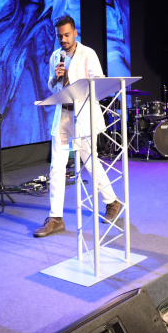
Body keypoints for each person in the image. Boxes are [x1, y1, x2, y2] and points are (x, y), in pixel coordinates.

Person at [34, 15, 123, 237]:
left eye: (67, 35)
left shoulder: (88, 53)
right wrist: (56, 78)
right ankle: (55, 218)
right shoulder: (56, 56)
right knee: (57, 167)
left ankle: (112, 202)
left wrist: (86, 85)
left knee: (90, 162)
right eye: (60, 36)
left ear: (75, 33)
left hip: (82, 116)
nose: (63, 40)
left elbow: (98, 83)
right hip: (63, 116)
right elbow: (51, 87)